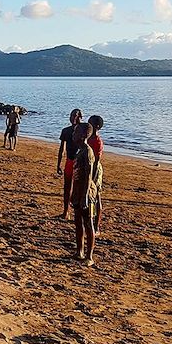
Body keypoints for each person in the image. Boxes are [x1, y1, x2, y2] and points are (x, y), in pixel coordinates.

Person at [71, 122, 97, 267]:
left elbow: (88, 175)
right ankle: (79, 251)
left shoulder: (87, 152)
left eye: (75, 132)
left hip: (86, 192)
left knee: (88, 223)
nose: (73, 135)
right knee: (78, 222)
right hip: (78, 189)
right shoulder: (79, 150)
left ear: (82, 136)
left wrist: (85, 196)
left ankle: (89, 256)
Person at [57, 109, 83, 219]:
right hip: (69, 161)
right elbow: (61, 148)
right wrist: (58, 164)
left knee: (80, 189)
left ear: (81, 117)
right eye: (72, 116)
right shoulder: (66, 131)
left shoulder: (84, 130)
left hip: (81, 163)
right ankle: (66, 211)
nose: (73, 118)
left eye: (76, 116)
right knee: (67, 187)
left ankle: (78, 212)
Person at [87, 115, 105, 235]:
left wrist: (92, 176)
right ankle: (91, 221)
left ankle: (96, 226)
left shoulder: (97, 141)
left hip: (94, 168)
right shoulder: (89, 138)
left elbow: (96, 160)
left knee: (96, 197)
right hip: (88, 166)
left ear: (97, 126)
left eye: (91, 123)